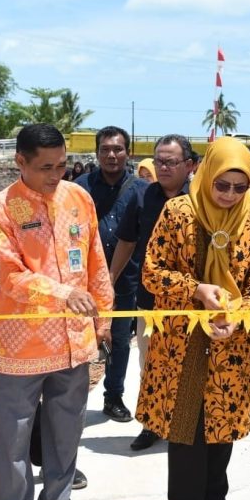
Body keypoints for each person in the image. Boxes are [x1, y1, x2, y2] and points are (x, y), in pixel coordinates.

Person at [136, 136, 250, 500]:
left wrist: (237, 316)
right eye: (222, 185)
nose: (230, 195)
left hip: (232, 344)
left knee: (222, 426)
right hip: (181, 342)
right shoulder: (178, 213)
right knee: (185, 431)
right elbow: (151, 272)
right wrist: (195, 289)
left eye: (240, 187)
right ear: (205, 175)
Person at [0, 124, 113, 500]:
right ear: (20, 162)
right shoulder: (2, 209)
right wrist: (63, 295)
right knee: (14, 436)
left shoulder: (79, 199)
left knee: (66, 427)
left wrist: (104, 316)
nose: (55, 174)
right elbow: (10, 274)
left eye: (60, 165)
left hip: (74, 340)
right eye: (44, 168)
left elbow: (96, 259)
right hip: (25, 342)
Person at [110, 134, 195, 451]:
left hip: (192, 305)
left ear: (189, 165)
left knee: (188, 367)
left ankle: (184, 425)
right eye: (158, 160)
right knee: (151, 366)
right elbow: (127, 240)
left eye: (170, 161)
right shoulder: (142, 196)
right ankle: (153, 425)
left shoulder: (202, 199)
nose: (162, 167)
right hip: (151, 301)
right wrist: (110, 276)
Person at [75, 126, 149, 422]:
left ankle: (113, 396)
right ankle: (73, 402)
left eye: (117, 149)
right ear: (97, 153)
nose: (111, 155)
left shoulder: (142, 190)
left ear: (127, 152)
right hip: (82, 282)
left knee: (118, 340)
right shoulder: (80, 187)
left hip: (126, 280)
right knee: (79, 341)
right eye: (105, 149)